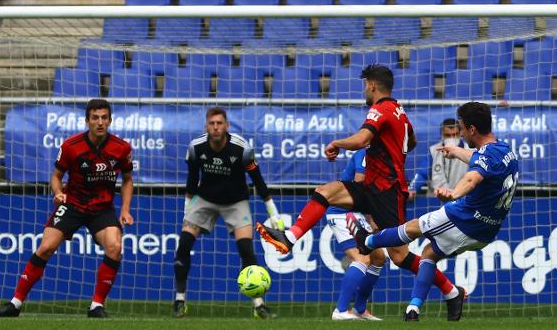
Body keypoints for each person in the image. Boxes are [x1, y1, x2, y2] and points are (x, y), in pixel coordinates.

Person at [257, 64, 465, 321]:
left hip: (388, 191)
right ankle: (289, 238)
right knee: (326, 192)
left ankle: (451, 291)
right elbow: (411, 141)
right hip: (372, 186)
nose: (364, 89)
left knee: (399, 256)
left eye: (365, 84)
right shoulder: (400, 112)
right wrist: (392, 152)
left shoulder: (380, 109)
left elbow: (362, 140)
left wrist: (336, 144)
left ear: (373, 85)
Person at [347, 101, 519, 322]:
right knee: (429, 253)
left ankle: (366, 241)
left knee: (413, 228)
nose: (461, 133)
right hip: (487, 230)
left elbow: (472, 177)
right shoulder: (504, 150)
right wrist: (456, 151)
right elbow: (481, 160)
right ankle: (417, 309)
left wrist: (454, 193)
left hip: (465, 219)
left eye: (462, 128)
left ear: (472, 129)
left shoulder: (485, 157)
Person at [0, 99, 134, 318]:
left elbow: (127, 179)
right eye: (95, 118)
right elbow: (56, 176)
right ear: (87, 120)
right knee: (46, 247)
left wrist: (125, 210)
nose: (100, 122)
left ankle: (96, 306)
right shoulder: (71, 146)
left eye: (104, 117)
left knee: (115, 246)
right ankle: (15, 304)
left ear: (110, 120)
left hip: (101, 209)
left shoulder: (121, 148)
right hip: (73, 204)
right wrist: (58, 193)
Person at [173, 107, 283, 319]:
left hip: (236, 201)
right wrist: (187, 211)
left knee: (246, 249)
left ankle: (259, 305)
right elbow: (191, 180)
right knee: (184, 244)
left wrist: (274, 213)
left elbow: (258, 181)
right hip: (204, 200)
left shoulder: (241, 149)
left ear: (227, 126)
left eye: (219, 123)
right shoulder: (196, 147)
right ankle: (179, 300)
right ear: (206, 126)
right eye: (212, 123)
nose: (216, 127)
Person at [325, 148, 381, 321]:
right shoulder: (366, 154)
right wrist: (372, 219)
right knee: (361, 259)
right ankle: (340, 311)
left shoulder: (383, 156)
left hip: (357, 211)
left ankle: (359, 309)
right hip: (343, 212)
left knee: (378, 258)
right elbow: (359, 186)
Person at [408, 118, 470, 200]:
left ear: (460, 134)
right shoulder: (433, 150)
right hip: (435, 199)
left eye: (454, 135)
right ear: (441, 134)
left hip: (460, 198)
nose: (451, 138)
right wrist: (412, 189)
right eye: (447, 135)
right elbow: (422, 173)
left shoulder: (469, 151)